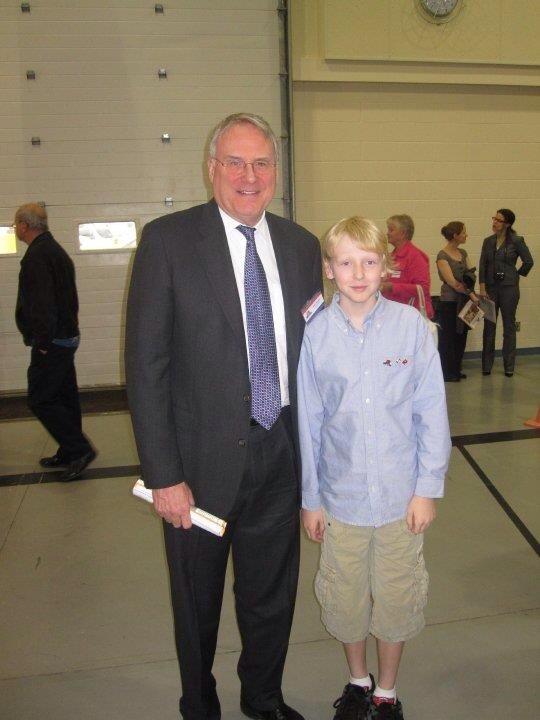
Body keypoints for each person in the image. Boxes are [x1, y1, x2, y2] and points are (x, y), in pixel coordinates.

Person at [125, 113, 322, 720]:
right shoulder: (168, 241)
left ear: (276, 173)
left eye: (261, 163)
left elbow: (314, 358)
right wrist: (163, 475)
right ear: (211, 169)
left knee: (271, 599)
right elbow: (146, 364)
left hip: (279, 455)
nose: (248, 175)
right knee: (197, 602)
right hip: (198, 468)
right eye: (234, 162)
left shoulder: (300, 246)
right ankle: (199, 704)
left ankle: (263, 700)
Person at [298, 216, 451, 720]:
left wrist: (426, 489)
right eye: (346, 262)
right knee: (344, 601)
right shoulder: (316, 336)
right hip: (339, 503)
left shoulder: (411, 329)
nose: (358, 273)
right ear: (328, 268)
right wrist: (311, 498)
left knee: (396, 599)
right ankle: (357, 682)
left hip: (398, 503)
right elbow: (310, 423)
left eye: (369, 261)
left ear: (386, 265)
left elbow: (431, 412)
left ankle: (386, 692)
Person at [14, 203, 96, 481]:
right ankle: (69, 451)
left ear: (25, 225)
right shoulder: (54, 251)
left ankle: (79, 448)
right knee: (63, 396)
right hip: (65, 336)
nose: (15, 229)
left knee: (40, 398)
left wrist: (43, 341)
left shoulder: (38, 256)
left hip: (53, 340)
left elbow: (42, 303)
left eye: (16, 224)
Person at [479, 209, 534, 377]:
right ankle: (486, 365)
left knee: (509, 326)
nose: (494, 222)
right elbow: (482, 265)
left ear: (508, 224)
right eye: (494, 218)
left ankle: (509, 366)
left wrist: (515, 274)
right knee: (489, 326)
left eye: (499, 220)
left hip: (509, 289)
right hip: (490, 288)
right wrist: (482, 287)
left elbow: (528, 261)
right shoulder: (488, 241)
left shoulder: (516, 241)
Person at [436, 221, 480, 382]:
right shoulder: (442, 256)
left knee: (461, 335)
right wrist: (472, 294)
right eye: (463, 233)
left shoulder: (463, 252)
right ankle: (447, 372)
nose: (466, 235)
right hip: (450, 301)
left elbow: (471, 275)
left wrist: (471, 293)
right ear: (455, 235)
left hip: (465, 301)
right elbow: (452, 282)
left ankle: (456, 368)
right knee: (448, 337)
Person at [380, 214, 434, 318]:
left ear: (403, 233)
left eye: (391, 230)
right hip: (394, 314)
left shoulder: (416, 257)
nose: (387, 233)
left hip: (412, 315)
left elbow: (422, 289)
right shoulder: (391, 256)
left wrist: (392, 287)